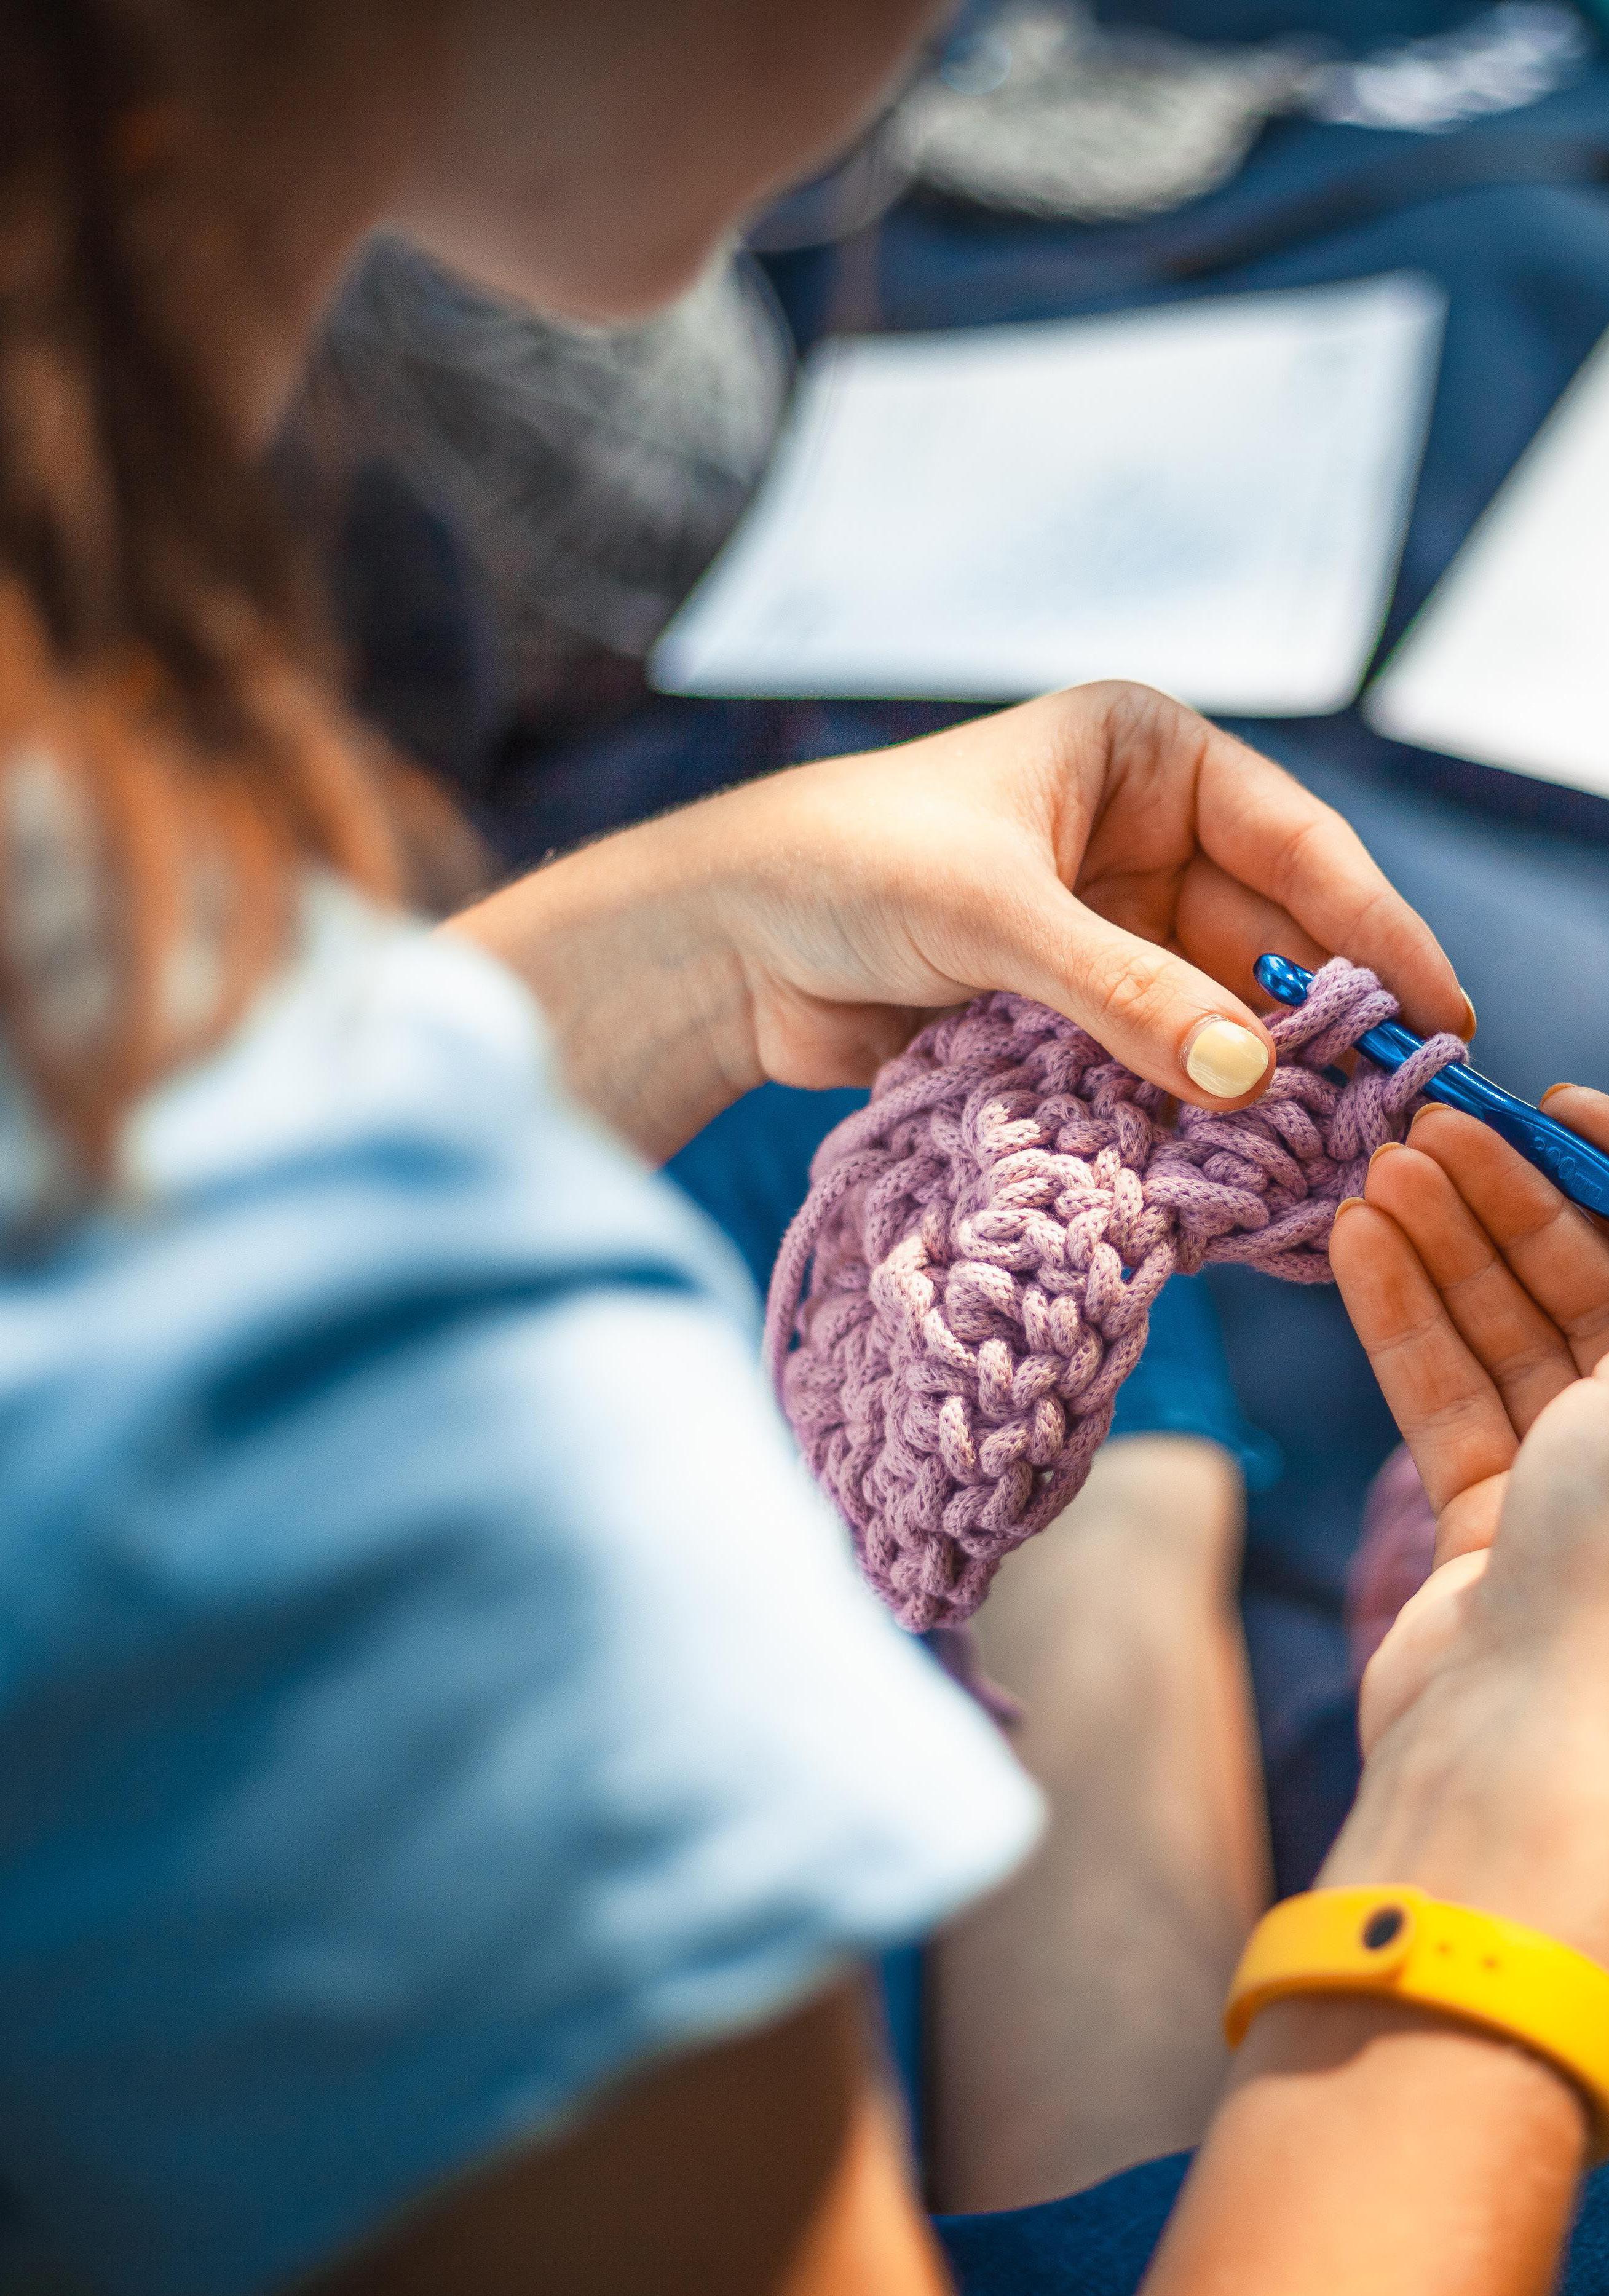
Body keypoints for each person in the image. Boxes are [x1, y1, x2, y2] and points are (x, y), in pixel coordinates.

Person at [0, 6, 1603, 2296]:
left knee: (859, 1136)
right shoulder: (365, 1406)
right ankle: (1102, 1566)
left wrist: (670, 942)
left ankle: (1095, 1552)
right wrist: (1506, 1834)